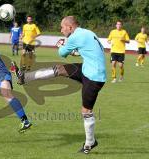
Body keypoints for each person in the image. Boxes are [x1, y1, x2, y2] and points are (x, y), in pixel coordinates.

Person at [13, 16, 106, 154]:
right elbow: (96, 50)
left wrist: (60, 45)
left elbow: (62, 53)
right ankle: (24, 77)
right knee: (59, 69)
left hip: (93, 77)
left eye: (62, 27)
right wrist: (74, 51)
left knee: (86, 112)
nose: (61, 30)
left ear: (70, 27)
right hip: (89, 68)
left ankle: (90, 142)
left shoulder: (75, 37)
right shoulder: (87, 33)